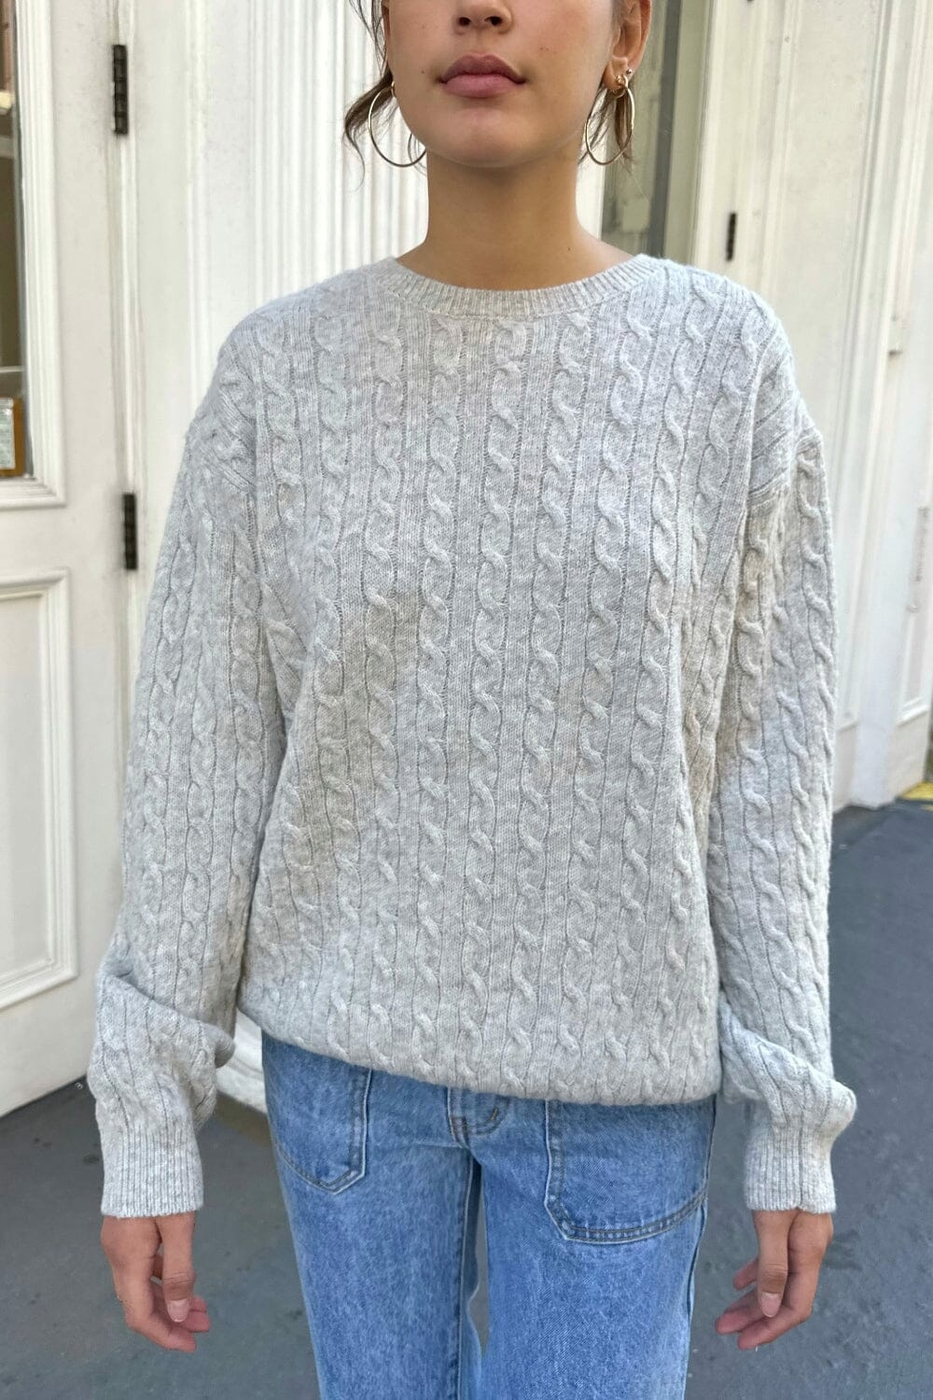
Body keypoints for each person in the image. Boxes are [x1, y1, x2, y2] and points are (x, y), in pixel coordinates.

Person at [87, 0, 858, 1393]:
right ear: (384, 25)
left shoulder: (720, 363)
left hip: (623, 1080)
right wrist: (148, 1111)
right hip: (349, 1078)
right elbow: (203, 759)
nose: (481, 9)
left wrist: (795, 1108)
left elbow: (767, 768)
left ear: (627, 33)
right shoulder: (280, 375)